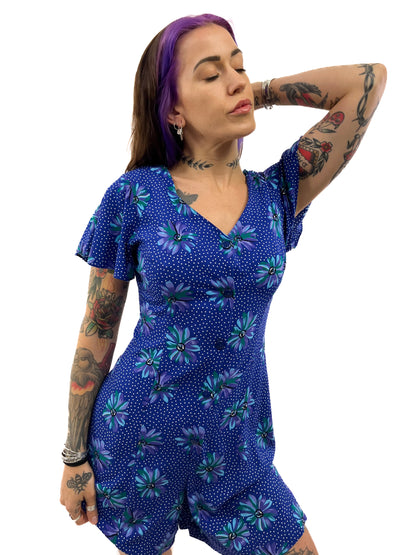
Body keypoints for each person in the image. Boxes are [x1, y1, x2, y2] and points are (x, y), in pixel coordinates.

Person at [60, 13, 386, 555]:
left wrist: (257, 93)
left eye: (239, 66)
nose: (235, 80)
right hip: (138, 440)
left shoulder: (279, 193)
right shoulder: (136, 195)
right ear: (174, 110)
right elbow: (97, 329)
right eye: (211, 75)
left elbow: (367, 82)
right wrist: (74, 458)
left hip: (237, 451)